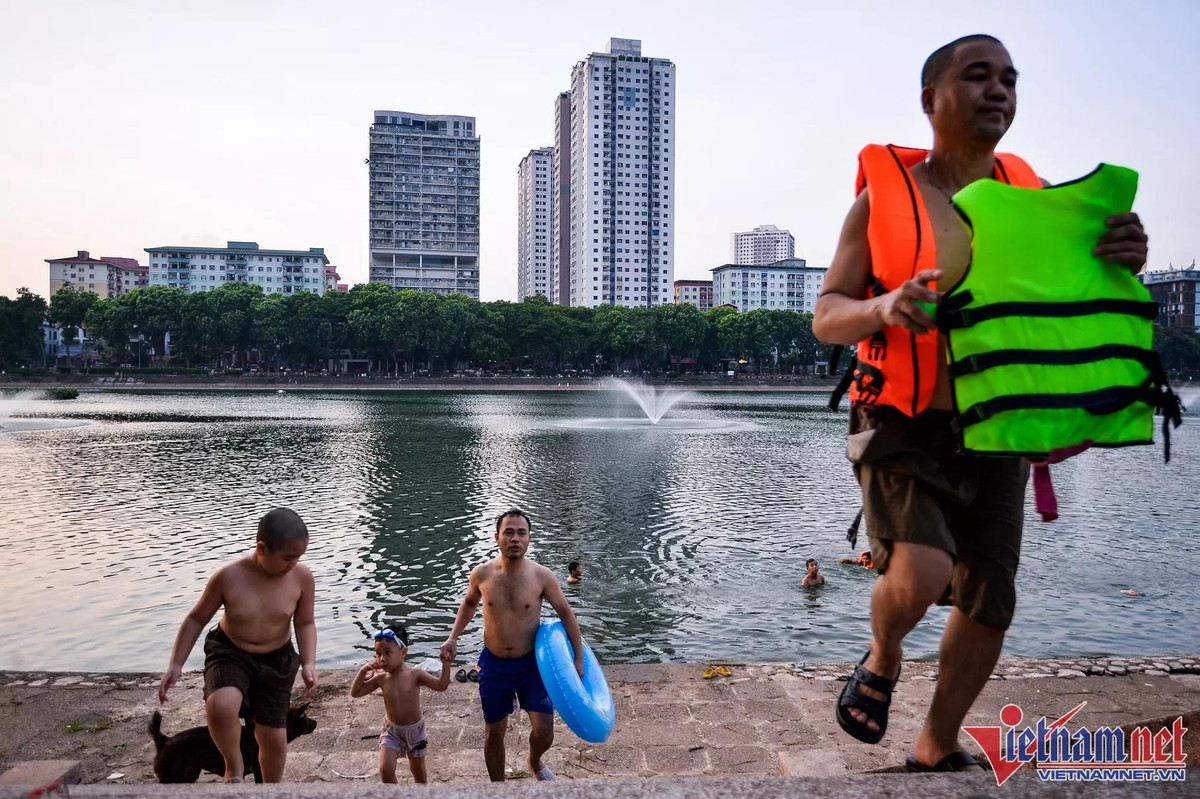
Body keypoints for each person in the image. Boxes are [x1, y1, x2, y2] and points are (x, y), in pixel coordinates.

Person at [813, 34, 1147, 773]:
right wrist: (885, 307)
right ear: (931, 99)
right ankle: (884, 650)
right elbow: (827, 312)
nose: (998, 89)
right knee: (926, 569)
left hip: (997, 425)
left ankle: (936, 739)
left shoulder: (1037, 205)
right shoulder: (881, 201)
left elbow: (1075, 304)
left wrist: (1123, 259)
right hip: (899, 419)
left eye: (1009, 79)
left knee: (992, 595)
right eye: (977, 76)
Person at [158, 508, 317, 783]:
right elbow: (196, 619)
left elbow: (304, 623)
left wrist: (309, 662)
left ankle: (271, 788)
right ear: (262, 548)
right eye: (288, 558)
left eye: (299, 557)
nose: (294, 564)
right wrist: (176, 664)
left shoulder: (301, 578)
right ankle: (234, 768)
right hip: (230, 652)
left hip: (276, 659)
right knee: (221, 704)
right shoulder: (229, 577)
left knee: (275, 738)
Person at [439, 509, 585, 782]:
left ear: (530, 538)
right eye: (508, 532)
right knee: (494, 731)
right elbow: (469, 603)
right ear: (497, 537)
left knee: (545, 731)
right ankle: (499, 787)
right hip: (493, 664)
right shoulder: (482, 574)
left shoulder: (543, 576)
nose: (515, 538)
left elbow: (566, 614)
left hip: (532, 664)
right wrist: (453, 636)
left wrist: (578, 658)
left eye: (521, 533)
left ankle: (534, 760)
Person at [349, 624, 453, 784]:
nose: (382, 659)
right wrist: (362, 672)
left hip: (415, 732)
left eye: (388, 653)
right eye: (378, 654)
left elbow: (441, 686)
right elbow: (355, 692)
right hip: (392, 731)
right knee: (385, 770)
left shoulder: (416, 674)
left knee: (417, 770)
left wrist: (446, 665)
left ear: (403, 652)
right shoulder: (381, 679)